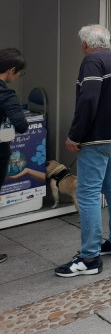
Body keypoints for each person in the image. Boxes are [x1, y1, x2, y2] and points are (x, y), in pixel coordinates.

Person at [55, 25, 111, 277]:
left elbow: (88, 99)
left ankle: (89, 257)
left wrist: (75, 135)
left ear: (86, 44)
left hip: (97, 138)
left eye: (82, 43)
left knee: (87, 195)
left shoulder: (92, 61)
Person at [0, 48, 28, 264]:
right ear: (11, 70)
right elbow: (21, 125)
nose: (18, 76)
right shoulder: (6, 95)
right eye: (19, 73)